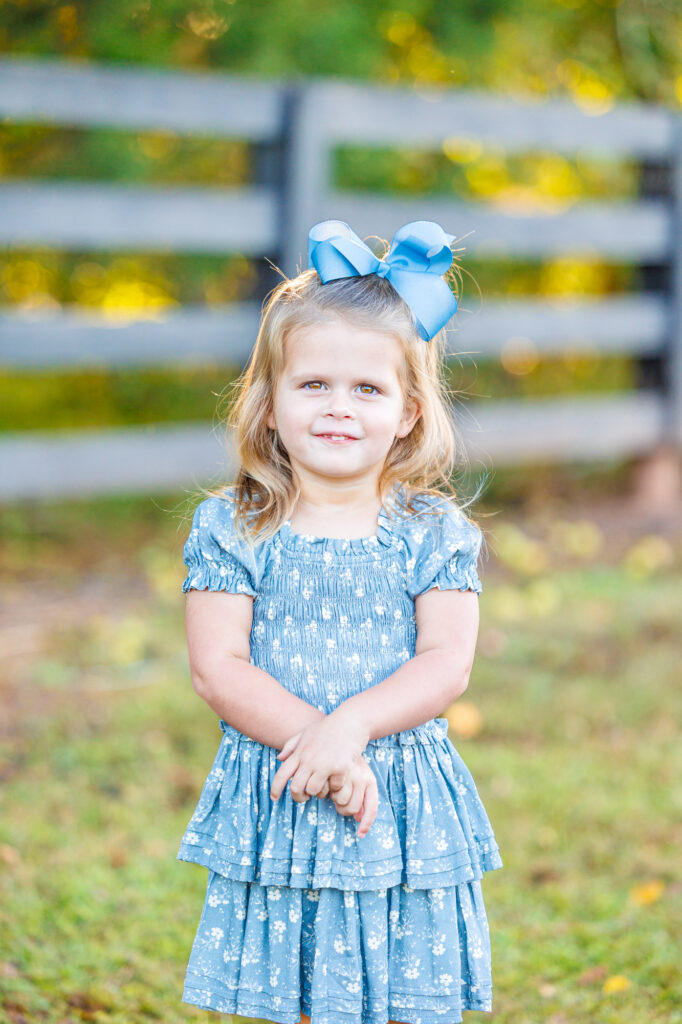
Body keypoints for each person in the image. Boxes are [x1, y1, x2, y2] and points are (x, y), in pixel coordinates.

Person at [177, 219, 503, 1024]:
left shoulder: (433, 531)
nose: (337, 408)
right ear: (269, 403)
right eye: (313, 384)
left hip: (396, 793)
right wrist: (318, 746)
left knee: (400, 993)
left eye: (367, 389)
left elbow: (446, 662)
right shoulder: (233, 526)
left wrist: (349, 730)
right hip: (286, 784)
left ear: (409, 412)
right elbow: (217, 666)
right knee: (294, 991)